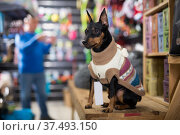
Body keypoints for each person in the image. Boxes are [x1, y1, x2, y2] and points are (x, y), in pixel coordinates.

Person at [15, 15, 56, 120]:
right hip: (26, 72)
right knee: (25, 97)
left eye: (36, 22)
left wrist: (50, 43)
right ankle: (26, 117)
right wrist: (35, 39)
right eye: (32, 22)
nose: (34, 25)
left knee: (42, 95)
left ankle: (45, 116)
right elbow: (24, 49)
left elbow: (44, 51)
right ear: (26, 23)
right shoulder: (21, 36)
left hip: (39, 71)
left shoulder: (38, 36)